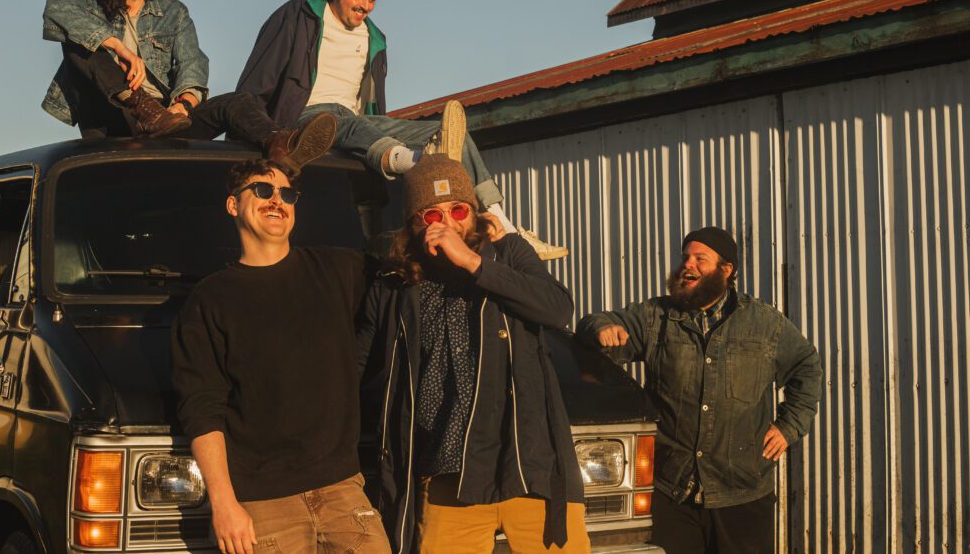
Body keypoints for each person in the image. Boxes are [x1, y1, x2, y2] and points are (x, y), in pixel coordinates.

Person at [237, 0, 567, 260]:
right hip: (304, 119)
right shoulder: (300, 15)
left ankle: (505, 226)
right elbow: (260, 75)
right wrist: (257, 130)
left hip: (354, 121)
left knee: (448, 132)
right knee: (341, 122)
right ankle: (422, 161)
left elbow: (372, 104)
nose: (366, 5)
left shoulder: (374, 38)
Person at [356, 154, 588, 553]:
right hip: (448, 474)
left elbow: (556, 308)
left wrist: (473, 263)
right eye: (432, 215)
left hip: (527, 467)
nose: (447, 222)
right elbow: (356, 366)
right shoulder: (395, 287)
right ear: (414, 224)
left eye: (458, 209)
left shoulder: (509, 255)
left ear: (474, 214)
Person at [172, 157, 391, 554]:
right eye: (262, 190)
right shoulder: (210, 299)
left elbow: (406, 271)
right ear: (232, 205)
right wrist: (224, 505)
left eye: (287, 194)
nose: (277, 200)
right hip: (262, 506)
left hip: (343, 491)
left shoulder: (340, 270)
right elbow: (202, 407)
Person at [576, 227, 822, 554]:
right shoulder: (655, 317)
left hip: (741, 492)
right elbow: (592, 323)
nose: (687, 266)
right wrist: (602, 328)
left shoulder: (764, 324)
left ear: (726, 270)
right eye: (685, 258)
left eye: (699, 259)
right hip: (672, 491)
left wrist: (789, 426)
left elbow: (807, 367)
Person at [41, 0, 333, 175]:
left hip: (166, 122)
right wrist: (118, 47)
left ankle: (284, 146)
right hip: (114, 117)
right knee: (80, 45)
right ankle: (141, 107)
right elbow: (55, 10)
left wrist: (182, 106)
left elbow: (193, 63)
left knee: (237, 101)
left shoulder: (173, 12)